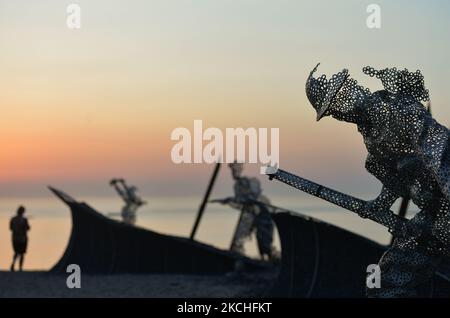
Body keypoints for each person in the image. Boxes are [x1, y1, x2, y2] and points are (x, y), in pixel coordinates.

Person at [306, 64, 449, 297]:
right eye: (332, 112)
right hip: (434, 215)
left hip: (446, 209)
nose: (339, 114)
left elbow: (438, 147)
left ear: (350, 90)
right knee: (387, 281)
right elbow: (399, 177)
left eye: (336, 104)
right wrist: (381, 203)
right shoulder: (372, 134)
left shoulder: (398, 108)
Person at [220, 162, 276, 260]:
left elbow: (250, 199)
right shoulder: (238, 186)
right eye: (232, 170)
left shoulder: (250, 183)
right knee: (256, 238)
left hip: (263, 215)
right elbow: (243, 201)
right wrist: (231, 200)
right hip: (255, 215)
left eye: (235, 169)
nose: (233, 172)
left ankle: (268, 259)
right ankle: (264, 258)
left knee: (264, 239)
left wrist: (232, 200)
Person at [10, 206, 30, 272]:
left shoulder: (13, 219)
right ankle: (20, 267)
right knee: (21, 253)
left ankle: (15, 265)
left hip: (16, 238)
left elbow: (11, 228)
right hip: (21, 238)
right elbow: (28, 228)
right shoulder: (24, 220)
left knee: (17, 253)